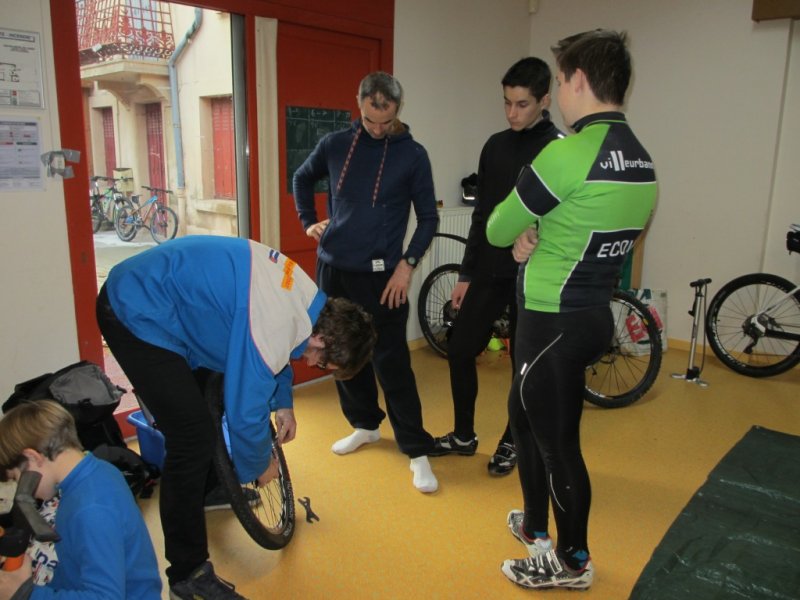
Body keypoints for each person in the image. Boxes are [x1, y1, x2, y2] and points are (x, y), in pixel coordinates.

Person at [95, 235, 376, 599]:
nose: (312, 364)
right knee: (191, 438)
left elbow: (277, 349)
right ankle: (187, 571)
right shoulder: (277, 321)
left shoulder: (308, 299)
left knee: (211, 389)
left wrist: (283, 402)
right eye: (322, 361)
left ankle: (211, 487)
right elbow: (246, 413)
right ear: (322, 339)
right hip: (133, 309)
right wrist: (258, 467)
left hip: (171, 305)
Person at [486, 30, 657, 590]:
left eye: (559, 80)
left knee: (558, 448)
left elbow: (496, 227)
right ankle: (536, 526)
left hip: (551, 319)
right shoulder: (642, 160)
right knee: (523, 414)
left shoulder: (566, 154)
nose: (558, 90)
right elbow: (595, 231)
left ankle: (573, 562)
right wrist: (540, 233)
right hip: (590, 314)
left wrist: (525, 233)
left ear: (578, 80)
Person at [293, 71, 440, 493]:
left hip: (384, 278)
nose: (378, 129)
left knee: (392, 363)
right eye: (371, 120)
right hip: (334, 270)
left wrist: (407, 265)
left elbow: (428, 217)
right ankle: (365, 426)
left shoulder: (412, 155)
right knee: (343, 355)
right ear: (359, 103)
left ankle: (415, 449)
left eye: (387, 121)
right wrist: (308, 222)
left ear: (397, 110)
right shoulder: (336, 144)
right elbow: (302, 178)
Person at [428, 57, 563, 476]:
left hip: (532, 276)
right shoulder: (495, 146)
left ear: (545, 100)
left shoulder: (559, 149)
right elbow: (482, 214)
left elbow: (566, 219)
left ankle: (514, 440)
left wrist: (538, 234)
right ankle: (464, 435)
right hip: (488, 270)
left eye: (522, 104)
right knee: (460, 348)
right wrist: (466, 274)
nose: (511, 113)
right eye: (506, 103)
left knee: (523, 367)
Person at [0, 400, 161, 599]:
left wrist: (26, 594)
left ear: (33, 457)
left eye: (17, 478)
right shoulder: (96, 469)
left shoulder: (91, 509)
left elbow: (105, 597)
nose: (25, 492)